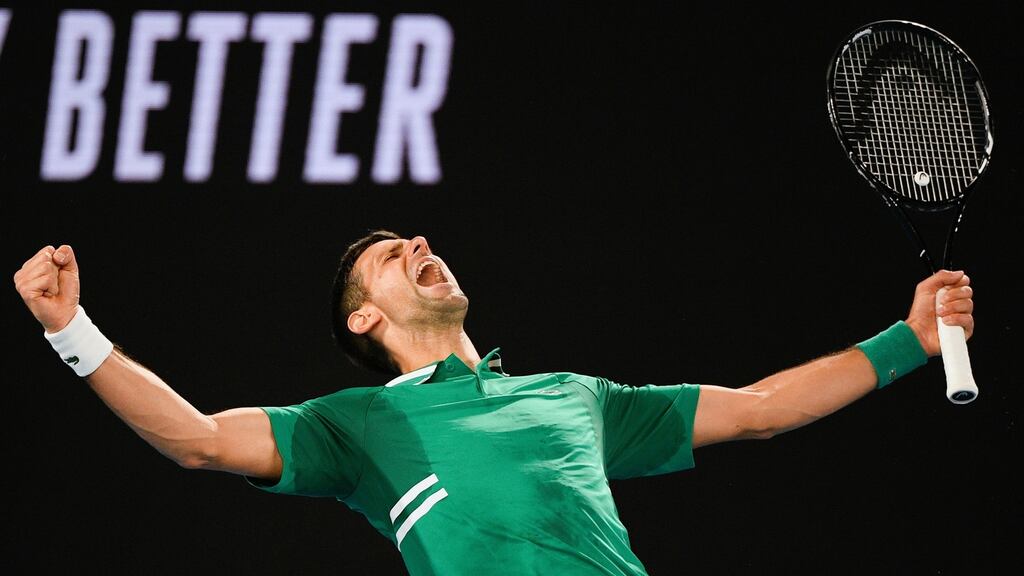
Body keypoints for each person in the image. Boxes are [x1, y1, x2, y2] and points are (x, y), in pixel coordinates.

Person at [13, 231, 975, 576]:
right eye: (389, 255)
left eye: (413, 240)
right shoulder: (355, 427)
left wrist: (909, 342)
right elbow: (195, 440)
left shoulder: (574, 397)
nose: (417, 244)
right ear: (364, 318)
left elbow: (761, 407)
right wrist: (72, 330)